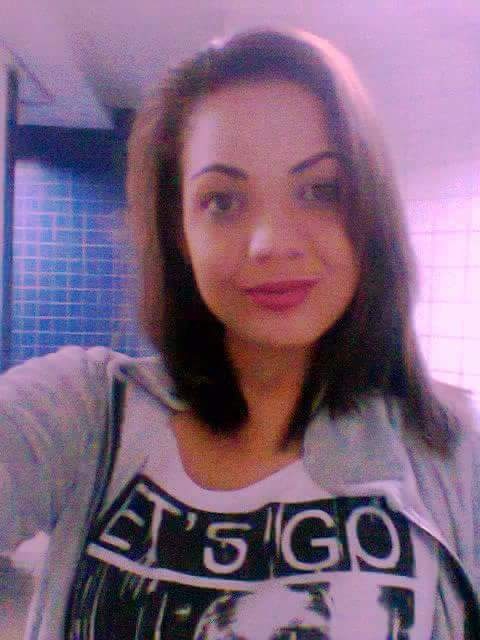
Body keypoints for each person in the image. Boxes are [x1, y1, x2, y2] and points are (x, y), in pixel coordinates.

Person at [0, 27, 479, 640]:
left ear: (371, 213)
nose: (270, 243)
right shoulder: (84, 407)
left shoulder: (452, 451)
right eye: (223, 201)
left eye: (321, 191)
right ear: (180, 233)